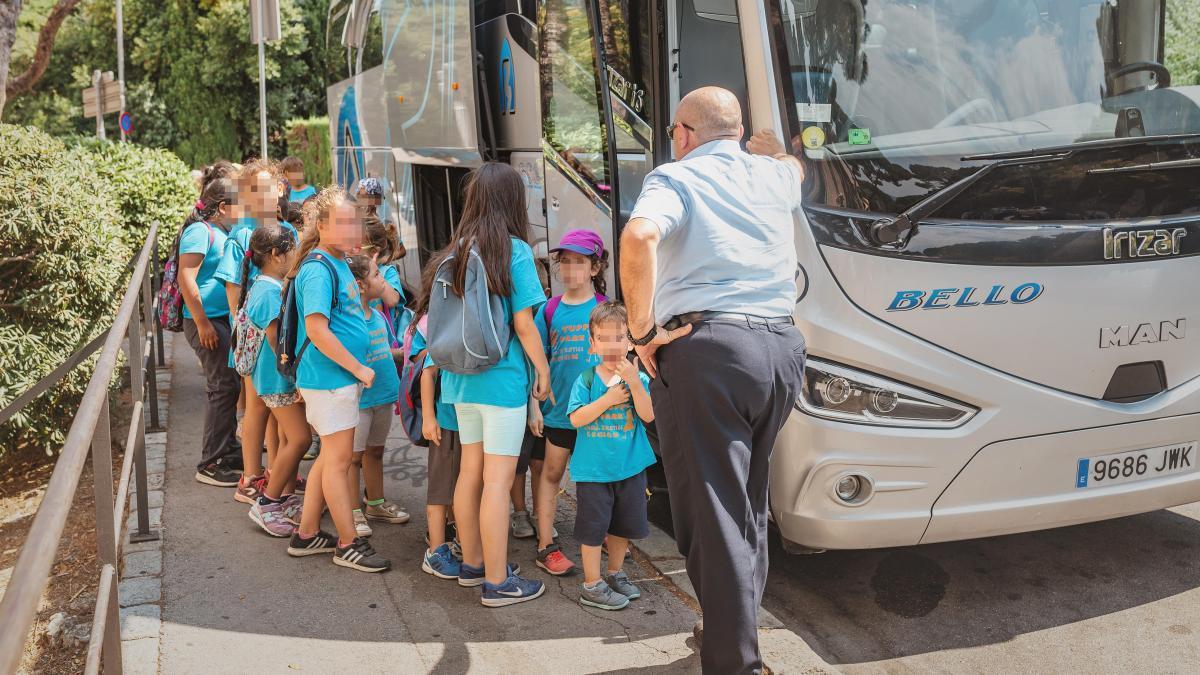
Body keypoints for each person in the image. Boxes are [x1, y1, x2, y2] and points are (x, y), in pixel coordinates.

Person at [619, 86, 807, 674]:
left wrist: (643, 330)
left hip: (710, 355)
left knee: (712, 513)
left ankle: (734, 664)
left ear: (683, 133)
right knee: (747, 505)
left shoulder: (675, 179)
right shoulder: (774, 178)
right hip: (780, 350)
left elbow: (638, 237)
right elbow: (795, 168)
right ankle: (730, 634)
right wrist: (775, 151)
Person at [430, 162, 551, 606]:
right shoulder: (513, 250)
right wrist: (542, 369)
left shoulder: (457, 248)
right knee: (499, 482)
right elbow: (524, 322)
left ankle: (473, 564)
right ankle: (499, 582)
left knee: (470, 473)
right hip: (501, 383)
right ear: (512, 201)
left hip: (459, 380)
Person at [283, 187, 391, 573]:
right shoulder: (318, 268)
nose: (352, 229)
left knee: (331, 458)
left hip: (334, 379)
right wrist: (359, 368)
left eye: (355, 221)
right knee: (339, 462)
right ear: (323, 225)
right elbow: (316, 330)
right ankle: (348, 542)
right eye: (343, 222)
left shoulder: (338, 262)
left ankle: (307, 533)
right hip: (331, 380)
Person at [529, 229, 609, 576]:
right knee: (551, 474)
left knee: (598, 478)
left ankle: (601, 533)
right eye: (565, 262)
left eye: (579, 262)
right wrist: (534, 406)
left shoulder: (605, 308)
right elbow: (537, 361)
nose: (570, 269)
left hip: (599, 413)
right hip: (559, 413)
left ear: (595, 267)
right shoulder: (549, 311)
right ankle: (546, 545)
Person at [566, 302, 654, 610]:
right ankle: (592, 583)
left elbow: (648, 414)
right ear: (592, 344)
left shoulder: (637, 380)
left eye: (619, 337)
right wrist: (608, 399)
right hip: (594, 472)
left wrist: (632, 381)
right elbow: (576, 418)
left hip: (629, 470)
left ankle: (615, 574)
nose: (612, 345)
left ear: (630, 342)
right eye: (603, 338)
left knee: (622, 527)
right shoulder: (587, 380)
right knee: (593, 529)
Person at [217, 160, 296, 504]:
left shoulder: (286, 229)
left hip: (279, 328)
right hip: (255, 334)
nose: (260, 195)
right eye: (252, 190)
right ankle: (250, 477)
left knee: (279, 407)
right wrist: (240, 332)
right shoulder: (242, 235)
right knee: (257, 408)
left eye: (266, 187)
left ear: (279, 189)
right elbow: (233, 288)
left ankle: (279, 472)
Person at [236, 226, 308, 537]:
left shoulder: (266, 285)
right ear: (277, 255)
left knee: (294, 439)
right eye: (292, 250)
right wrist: (298, 377)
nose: (296, 256)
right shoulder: (267, 292)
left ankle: (286, 499)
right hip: (277, 381)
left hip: (276, 380)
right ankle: (267, 503)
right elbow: (277, 341)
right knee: (300, 439)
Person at [178, 178, 242, 486]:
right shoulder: (199, 232)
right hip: (205, 321)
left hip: (220, 319)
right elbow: (186, 277)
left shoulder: (221, 231)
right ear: (222, 208)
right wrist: (202, 322)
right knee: (222, 387)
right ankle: (210, 462)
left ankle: (228, 449)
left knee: (230, 385)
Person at [345, 253, 409, 537]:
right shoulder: (347, 320)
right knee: (352, 458)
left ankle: (375, 504)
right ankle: (352, 510)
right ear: (360, 285)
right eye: (376, 275)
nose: (382, 281)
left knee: (375, 452)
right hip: (359, 402)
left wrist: (408, 353)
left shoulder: (380, 316)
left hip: (383, 396)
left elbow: (387, 350)